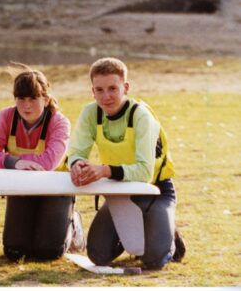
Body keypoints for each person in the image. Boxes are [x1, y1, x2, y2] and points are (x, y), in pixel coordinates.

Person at [68, 57, 184, 269]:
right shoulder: (90, 112)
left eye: (113, 88)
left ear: (126, 87)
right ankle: (139, 231)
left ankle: (169, 235)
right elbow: (76, 151)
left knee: (154, 261)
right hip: (119, 190)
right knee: (98, 255)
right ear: (92, 91)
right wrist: (77, 163)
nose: (106, 96)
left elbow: (145, 172)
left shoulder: (141, 116)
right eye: (99, 90)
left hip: (155, 190)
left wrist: (103, 170)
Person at [0, 65, 84, 261]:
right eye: (21, 98)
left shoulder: (59, 122)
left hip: (56, 187)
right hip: (22, 186)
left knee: (48, 252)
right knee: (14, 251)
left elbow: (49, 162)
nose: (26, 105)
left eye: (33, 98)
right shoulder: (6, 117)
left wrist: (5, 161)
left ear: (45, 98)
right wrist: (13, 162)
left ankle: (74, 224)